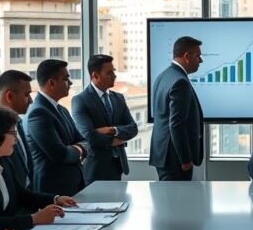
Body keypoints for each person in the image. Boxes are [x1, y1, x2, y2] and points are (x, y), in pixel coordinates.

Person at [24, 59, 88, 196]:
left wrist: (78, 148)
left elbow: (85, 141)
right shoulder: (38, 113)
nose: (70, 83)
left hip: (72, 186)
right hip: (52, 191)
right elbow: (61, 155)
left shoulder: (62, 110)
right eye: (66, 79)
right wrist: (79, 148)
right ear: (51, 83)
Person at [71, 54, 138, 185]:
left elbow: (133, 128)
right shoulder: (80, 100)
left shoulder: (118, 98)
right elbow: (89, 135)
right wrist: (117, 140)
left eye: (114, 71)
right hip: (95, 167)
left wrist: (112, 130)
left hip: (117, 165)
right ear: (95, 75)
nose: (114, 76)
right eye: (109, 72)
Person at [149, 36, 204, 181]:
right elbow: (176, 124)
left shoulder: (163, 76)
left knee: (168, 201)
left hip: (164, 154)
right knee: (178, 202)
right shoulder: (180, 82)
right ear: (187, 56)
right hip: (175, 159)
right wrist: (185, 159)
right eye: (198, 56)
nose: (201, 60)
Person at [0, 70, 36, 191]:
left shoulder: (18, 121)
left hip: (28, 197)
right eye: (26, 95)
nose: (31, 101)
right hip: (11, 202)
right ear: (9, 96)